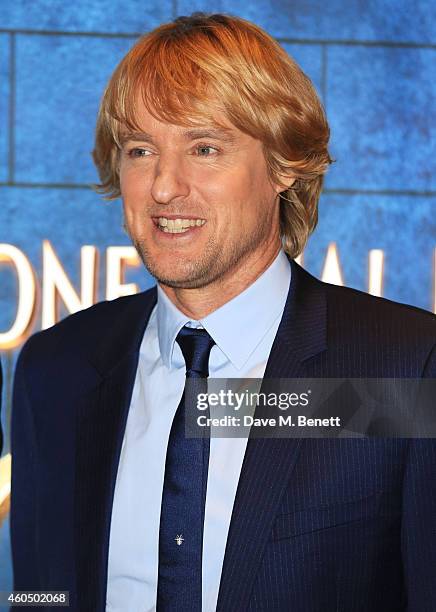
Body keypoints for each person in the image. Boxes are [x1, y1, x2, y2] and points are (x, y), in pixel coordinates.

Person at [10, 12, 436, 612]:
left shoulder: (404, 368)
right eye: (139, 150)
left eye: (204, 147)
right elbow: (41, 590)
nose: (163, 187)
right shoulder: (58, 369)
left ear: (285, 165)